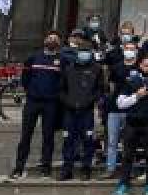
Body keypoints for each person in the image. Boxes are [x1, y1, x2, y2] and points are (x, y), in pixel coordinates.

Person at [10, 32, 64, 180]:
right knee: (25, 135)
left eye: (55, 39)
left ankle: (46, 168)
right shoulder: (33, 58)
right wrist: (31, 92)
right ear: (45, 40)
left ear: (59, 43)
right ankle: (19, 167)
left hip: (51, 103)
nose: (52, 41)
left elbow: (63, 81)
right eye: (49, 38)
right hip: (33, 102)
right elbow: (25, 78)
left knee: (48, 137)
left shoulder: (61, 60)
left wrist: (55, 96)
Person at [113, 53, 148, 195]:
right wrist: (136, 96)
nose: (147, 68)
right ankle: (123, 184)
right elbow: (120, 103)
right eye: (145, 65)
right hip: (132, 124)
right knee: (127, 155)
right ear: (140, 65)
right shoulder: (131, 81)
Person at [58, 39, 103, 181]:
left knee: (88, 140)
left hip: (87, 111)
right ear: (77, 53)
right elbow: (61, 89)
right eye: (81, 51)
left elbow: (100, 89)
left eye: (86, 52)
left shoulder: (97, 69)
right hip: (70, 111)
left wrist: (90, 101)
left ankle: (86, 168)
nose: (84, 54)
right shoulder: (69, 69)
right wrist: (68, 102)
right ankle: (67, 169)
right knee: (68, 140)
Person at [103, 40, 138, 177]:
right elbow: (111, 86)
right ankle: (110, 169)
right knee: (112, 141)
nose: (129, 50)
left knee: (130, 141)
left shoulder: (139, 68)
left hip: (133, 110)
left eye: (132, 48)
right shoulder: (116, 67)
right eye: (127, 48)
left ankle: (128, 169)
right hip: (115, 109)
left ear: (136, 50)